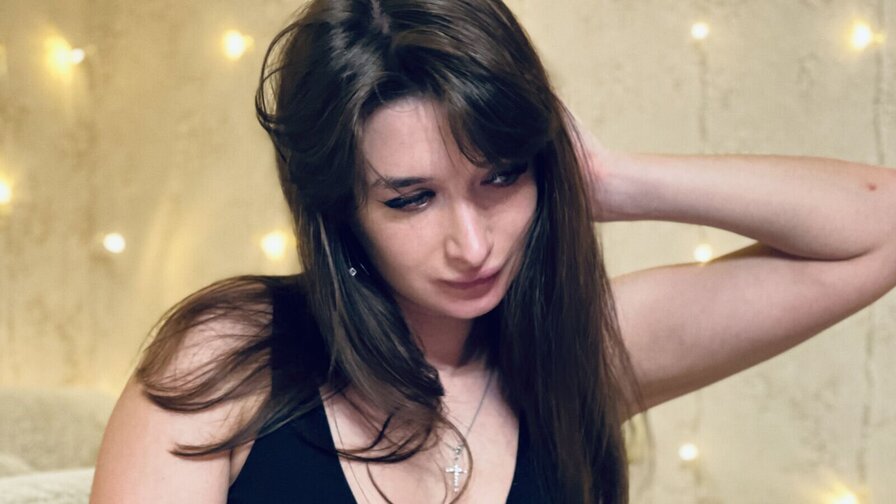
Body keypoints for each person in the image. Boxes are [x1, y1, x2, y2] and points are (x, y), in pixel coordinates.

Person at [89, 0, 896, 503]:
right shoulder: (232, 356)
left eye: (500, 178)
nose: (472, 245)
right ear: (342, 210)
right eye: (411, 198)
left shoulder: (582, 350)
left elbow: (879, 226)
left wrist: (607, 179)